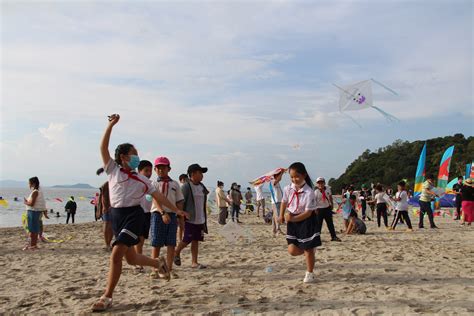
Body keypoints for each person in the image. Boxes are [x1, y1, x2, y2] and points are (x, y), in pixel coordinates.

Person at [92, 114, 188, 312]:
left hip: (133, 217)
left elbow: (159, 198)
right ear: (123, 157)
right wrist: (110, 125)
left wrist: (176, 209)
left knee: (116, 255)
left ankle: (107, 296)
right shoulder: (112, 170)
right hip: (117, 217)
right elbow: (103, 148)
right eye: (133, 154)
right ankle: (157, 263)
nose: (136, 156)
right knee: (131, 259)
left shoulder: (144, 180)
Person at [278, 162, 321, 283]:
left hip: (306, 221)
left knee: (307, 249)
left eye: (297, 176)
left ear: (304, 175)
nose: (294, 179)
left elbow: (308, 213)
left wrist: (292, 219)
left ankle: (310, 273)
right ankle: (310, 249)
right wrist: (281, 215)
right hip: (292, 221)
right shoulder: (287, 188)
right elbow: (284, 202)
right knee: (292, 250)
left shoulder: (309, 192)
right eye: (291, 177)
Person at [150, 157, 184, 279]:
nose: (161, 170)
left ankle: (169, 268)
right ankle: (155, 269)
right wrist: (162, 212)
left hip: (172, 214)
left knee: (171, 243)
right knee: (156, 243)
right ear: (155, 169)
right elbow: (155, 199)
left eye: (163, 167)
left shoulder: (174, 184)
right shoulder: (153, 183)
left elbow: (179, 200)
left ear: (168, 168)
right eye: (158, 168)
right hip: (157, 214)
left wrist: (180, 215)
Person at [174, 164, 209, 269]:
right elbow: (180, 202)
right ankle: (176, 252)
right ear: (193, 174)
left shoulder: (202, 186)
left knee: (196, 240)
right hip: (189, 219)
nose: (202, 175)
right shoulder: (186, 187)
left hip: (200, 218)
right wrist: (181, 215)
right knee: (187, 239)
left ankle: (194, 262)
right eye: (200, 173)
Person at [134, 160, 154, 271]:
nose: (149, 173)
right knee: (139, 239)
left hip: (148, 213)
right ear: (139, 171)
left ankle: (137, 259)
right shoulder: (136, 182)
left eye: (150, 171)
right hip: (137, 212)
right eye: (146, 170)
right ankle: (138, 263)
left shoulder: (151, 183)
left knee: (142, 239)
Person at [23, 177, 47, 250]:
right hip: (35, 212)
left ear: (33, 183)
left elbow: (32, 204)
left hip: (33, 212)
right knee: (34, 229)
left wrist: (26, 202)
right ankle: (33, 245)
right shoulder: (38, 190)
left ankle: (33, 245)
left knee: (33, 230)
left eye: (29, 183)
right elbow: (39, 203)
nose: (28, 184)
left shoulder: (36, 191)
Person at [314, 177, 341, 242]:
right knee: (318, 225)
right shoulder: (316, 192)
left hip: (327, 208)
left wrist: (332, 204)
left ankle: (333, 236)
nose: (320, 184)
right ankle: (317, 238)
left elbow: (330, 197)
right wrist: (315, 209)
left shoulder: (328, 189)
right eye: (319, 183)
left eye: (322, 182)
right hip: (319, 209)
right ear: (317, 184)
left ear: (324, 183)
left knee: (330, 224)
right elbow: (314, 201)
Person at [97, 168, 113, 251]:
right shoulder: (106, 185)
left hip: (114, 207)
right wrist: (105, 208)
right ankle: (107, 244)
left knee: (111, 226)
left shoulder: (115, 183)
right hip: (107, 208)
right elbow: (103, 198)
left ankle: (108, 244)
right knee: (107, 225)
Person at [270, 171, 284, 236]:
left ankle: (274, 230)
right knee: (277, 215)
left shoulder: (277, 182)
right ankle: (278, 229)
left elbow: (279, 179)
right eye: (278, 175)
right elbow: (279, 179)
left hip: (278, 200)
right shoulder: (273, 181)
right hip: (276, 201)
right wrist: (281, 173)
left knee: (274, 216)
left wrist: (282, 173)